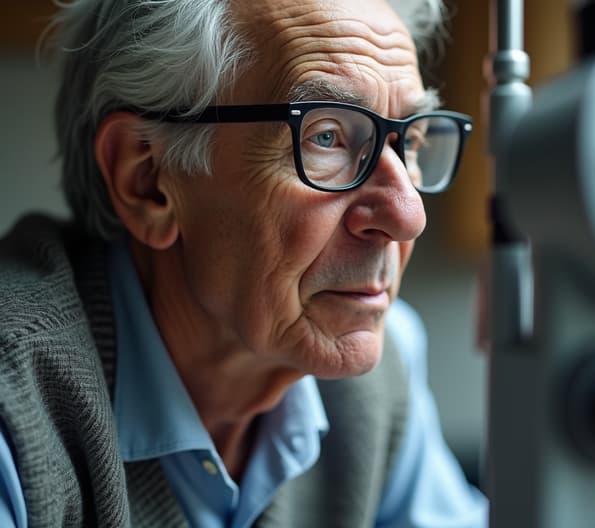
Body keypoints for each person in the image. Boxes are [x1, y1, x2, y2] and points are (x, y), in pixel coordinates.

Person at [0, 0, 487, 526]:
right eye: (326, 136)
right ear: (146, 181)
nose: (408, 215)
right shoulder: (16, 409)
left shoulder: (381, 372)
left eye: (408, 140)